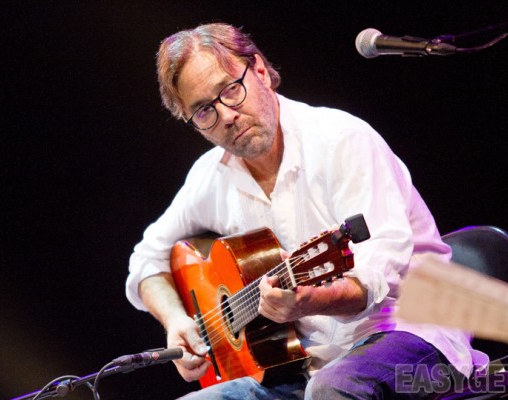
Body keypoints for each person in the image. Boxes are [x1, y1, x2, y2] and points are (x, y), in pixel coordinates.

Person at [125, 22, 487, 399]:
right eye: (204, 111)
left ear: (260, 70)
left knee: (332, 388)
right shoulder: (210, 177)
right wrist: (176, 321)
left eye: (230, 89)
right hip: (305, 366)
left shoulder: (341, 140)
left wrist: (310, 301)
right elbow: (146, 260)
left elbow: (379, 274)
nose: (227, 116)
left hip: (409, 330)